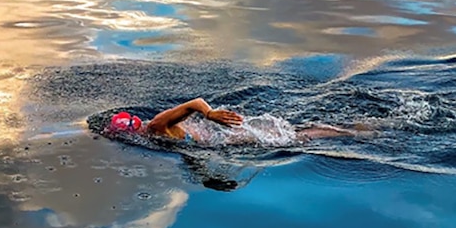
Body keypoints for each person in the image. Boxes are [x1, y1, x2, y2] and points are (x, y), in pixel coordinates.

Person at [107, 97, 358, 143]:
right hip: (222, 136)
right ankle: (351, 129)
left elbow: (195, 102)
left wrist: (209, 113)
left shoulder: (155, 126)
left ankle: (353, 133)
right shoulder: (151, 128)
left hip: (227, 137)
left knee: (295, 138)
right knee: (296, 132)